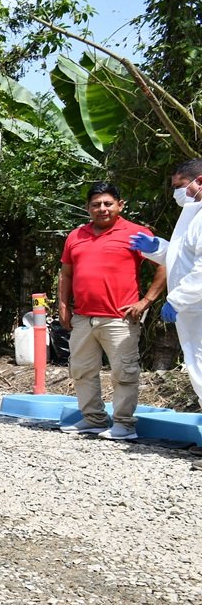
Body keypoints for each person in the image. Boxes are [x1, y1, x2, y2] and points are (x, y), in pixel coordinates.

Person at [59, 182, 166, 441]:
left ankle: (124, 425)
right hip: (83, 317)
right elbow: (66, 273)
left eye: (108, 203)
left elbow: (165, 263)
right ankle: (93, 419)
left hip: (120, 318)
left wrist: (146, 301)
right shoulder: (76, 235)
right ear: (88, 208)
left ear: (120, 205)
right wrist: (63, 306)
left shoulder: (136, 233)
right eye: (96, 204)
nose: (102, 209)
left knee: (124, 373)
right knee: (81, 370)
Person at [129, 159, 202, 464]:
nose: (178, 193)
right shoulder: (193, 212)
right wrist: (156, 246)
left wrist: (179, 298)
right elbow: (182, 254)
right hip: (193, 309)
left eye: (180, 186)